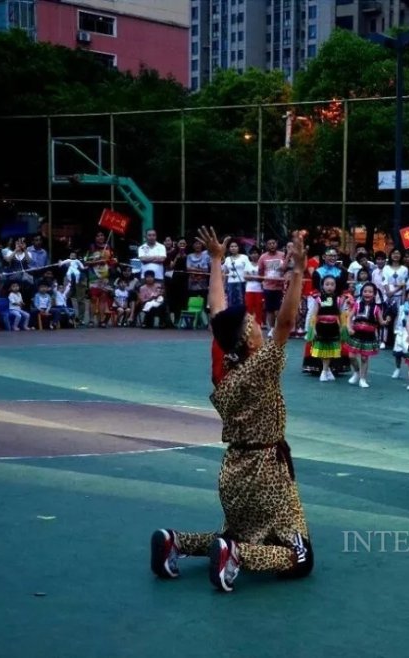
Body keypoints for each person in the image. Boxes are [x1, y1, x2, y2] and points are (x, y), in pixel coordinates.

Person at [150, 226, 314, 593]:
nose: (258, 324)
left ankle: (175, 540)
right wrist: (299, 271)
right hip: (266, 471)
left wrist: (215, 261)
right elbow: (286, 323)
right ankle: (238, 555)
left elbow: (217, 312)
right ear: (247, 338)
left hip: (234, 470)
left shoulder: (225, 366)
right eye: (253, 324)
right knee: (299, 557)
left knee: (238, 529)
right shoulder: (261, 366)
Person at [308, 276, 345, 382]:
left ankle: (325, 370)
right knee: (322, 350)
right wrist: (313, 328)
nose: (329, 287)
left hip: (333, 327)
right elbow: (314, 315)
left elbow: (341, 314)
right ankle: (325, 371)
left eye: (332, 284)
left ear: (335, 286)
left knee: (330, 350)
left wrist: (343, 327)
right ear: (322, 286)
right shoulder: (318, 299)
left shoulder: (338, 299)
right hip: (321, 328)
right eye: (327, 284)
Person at [346, 282, 382, 389]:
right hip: (356, 334)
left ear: (374, 294)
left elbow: (381, 321)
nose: (367, 293)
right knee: (351, 356)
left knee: (364, 358)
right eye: (365, 291)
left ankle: (362, 379)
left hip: (369, 336)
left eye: (370, 292)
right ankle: (356, 372)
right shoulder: (357, 305)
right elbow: (349, 317)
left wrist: (386, 321)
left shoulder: (376, 308)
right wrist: (349, 327)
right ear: (362, 293)